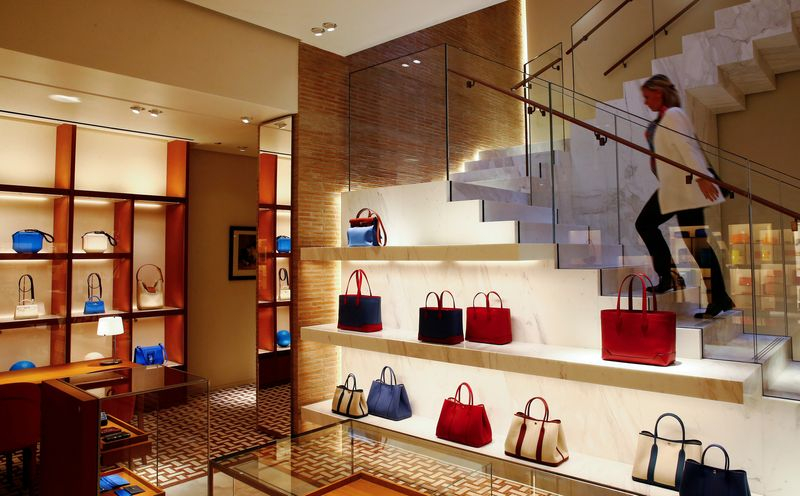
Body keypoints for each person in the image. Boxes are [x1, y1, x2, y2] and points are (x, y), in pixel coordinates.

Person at [635, 74, 734, 318]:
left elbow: (688, 148)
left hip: (685, 188)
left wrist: (702, 176)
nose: (645, 102)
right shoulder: (664, 118)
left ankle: (715, 296)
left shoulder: (673, 115)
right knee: (655, 228)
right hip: (674, 188)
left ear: (659, 93)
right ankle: (674, 279)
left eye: (647, 97)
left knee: (694, 243)